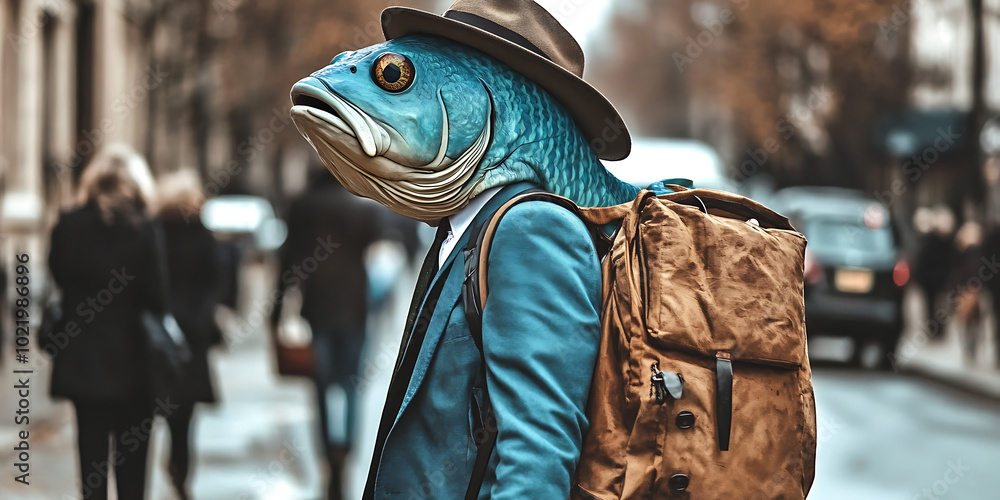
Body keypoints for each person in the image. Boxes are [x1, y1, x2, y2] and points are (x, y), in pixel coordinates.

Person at [44, 144, 167, 500]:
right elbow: (157, 298)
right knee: (132, 474)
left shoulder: (68, 226)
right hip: (136, 365)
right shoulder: (145, 230)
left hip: (84, 364)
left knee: (92, 466)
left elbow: (60, 279)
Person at [271, 170, 382, 500]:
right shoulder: (361, 205)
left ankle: (327, 456)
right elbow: (375, 252)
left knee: (319, 385)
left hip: (317, 309)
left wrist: (276, 312)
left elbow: (288, 261)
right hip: (355, 310)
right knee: (351, 385)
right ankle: (345, 452)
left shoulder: (303, 206)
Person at [155, 169, 224, 500]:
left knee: (163, 405)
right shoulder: (201, 235)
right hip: (192, 334)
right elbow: (214, 282)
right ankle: (180, 467)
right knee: (185, 414)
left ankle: (174, 465)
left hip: (161, 333)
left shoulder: (154, 232)